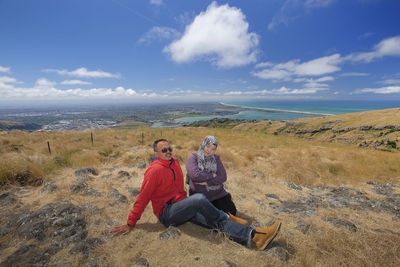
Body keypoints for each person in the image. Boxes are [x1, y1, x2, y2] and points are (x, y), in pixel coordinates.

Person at [110, 139, 281, 250]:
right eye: (163, 150)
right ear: (156, 153)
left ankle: (254, 237)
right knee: (199, 199)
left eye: (169, 148)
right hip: (167, 214)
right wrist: (130, 222)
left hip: (183, 206)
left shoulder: (175, 162)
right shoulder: (153, 171)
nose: (168, 151)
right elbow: (143, 197)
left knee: (214, 221)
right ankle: (226, 216)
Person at [186, 136, 236, 215]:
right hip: (200, 195)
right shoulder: (193, 157)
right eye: (208, 146)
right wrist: (212, 175)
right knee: (210, 217)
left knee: (232, 212)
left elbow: (223, 177)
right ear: (203, 145)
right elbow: (195, 176)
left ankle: (225, 199)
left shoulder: (216, 158)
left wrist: (207, 183)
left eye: (213, 149)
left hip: (218, 193)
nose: (209, 150)